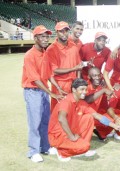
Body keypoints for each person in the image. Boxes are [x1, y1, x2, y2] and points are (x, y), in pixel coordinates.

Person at [48, 78, 120, 162]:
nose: (85, 92)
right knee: (85, 146)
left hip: (70, 130)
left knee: (89, 117)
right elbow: (61, 119)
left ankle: (77, 147)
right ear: (73, 89)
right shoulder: (66, 101)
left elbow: (97, 115)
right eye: (82, 89)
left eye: (86, 89)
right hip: (58, 135)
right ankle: (62, 152)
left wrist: (115, 126)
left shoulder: (81, 102)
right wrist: (72, 137)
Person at [22, 25, 64, 163]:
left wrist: (57, 88)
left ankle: (45, 147)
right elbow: (36, 79)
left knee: (45, 120)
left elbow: (50, 74)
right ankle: (33, 151)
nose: (46, 39)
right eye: (42, 36)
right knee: (35, 122)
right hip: (33, 91)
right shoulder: (29, 55)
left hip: (43, 92)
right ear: (35, 38)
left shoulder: (46, 53)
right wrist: (52, 93)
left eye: (47, 36)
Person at [44, 21, 84, 112]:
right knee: (58, 112)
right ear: (56, 32)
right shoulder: (51, 49)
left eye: (66, 31)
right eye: (61, 31)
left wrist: (77, 82)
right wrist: (74, 69)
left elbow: (79, 67)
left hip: (73, 84)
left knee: (72, 110)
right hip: (60, 85)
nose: (64, 33)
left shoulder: (73, 46)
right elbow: (54, 70)